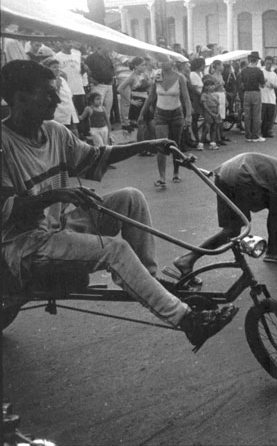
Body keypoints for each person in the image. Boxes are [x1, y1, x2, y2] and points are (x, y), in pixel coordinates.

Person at [0, 60, 237, 352]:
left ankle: (150, 282)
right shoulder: (4, 145)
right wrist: (57, 195)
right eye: (47, 94)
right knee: (114, 249)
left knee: (131, 197)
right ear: (20, 98)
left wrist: (150, 144)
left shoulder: (54, 132)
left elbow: (97, 156)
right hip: (26, 243)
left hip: (59, 226)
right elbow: (5, 209)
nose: (57, 100)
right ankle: (188, 322)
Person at [139, 60, 192, 187]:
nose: (162, 63)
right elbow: (151, 96)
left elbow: (186, 98)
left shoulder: (180, 78)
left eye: (165, 60)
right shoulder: (157, 76)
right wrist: (142, 113)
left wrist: (188, 115)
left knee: (175, 144)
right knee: (161, 144)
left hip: (176, 113)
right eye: (161, 61)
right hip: (160, 113)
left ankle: (176, 172)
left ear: (172, 62)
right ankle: (162, 177)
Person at [42, 58, 80, 137]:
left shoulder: (63, 79)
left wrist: (74, 110)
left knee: (75, 135)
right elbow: (52, 98)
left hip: (69, 114)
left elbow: (69, 97)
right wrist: (57, 86)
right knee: (62, 136)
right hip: (58, 115)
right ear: (48, 69)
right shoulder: (47, 82)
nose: (57, 69)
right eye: (54, 67)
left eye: (58, 67)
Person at [238, 51, 265, 142]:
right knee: (256, 115)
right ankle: (255, 135)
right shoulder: (259, 71)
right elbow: (262, 84)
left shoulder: (244, 71)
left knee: (247, 115)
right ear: (256, 60)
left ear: (249, 59)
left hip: (246, 93)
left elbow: (241, 84)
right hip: (255, 92)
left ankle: (248, 135)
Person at [199, 77, 221, 150]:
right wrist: (211, 113)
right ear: (206, 87)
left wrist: (217, 113)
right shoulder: (204, 95)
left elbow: (218, 104)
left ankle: (212, 142)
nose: (212, 87)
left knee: (214, 128)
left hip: (215, 111)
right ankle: (201, 143)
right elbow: (205, 106)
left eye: (213, 85)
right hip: (208, 112)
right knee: (207, 128)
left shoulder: (216, 95)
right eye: (210, 85)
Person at [260, 56, 277, 138]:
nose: (269, 65)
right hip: (263, 97)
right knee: (263, 116)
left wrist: (272, 85)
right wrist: (263, 82)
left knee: (270, 116)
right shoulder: (261, 72)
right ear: (264, 63)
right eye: (267, 63)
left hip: (271, 98)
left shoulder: (274, 74)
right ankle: (262, 131)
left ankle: (268, 131)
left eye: (270, 64)